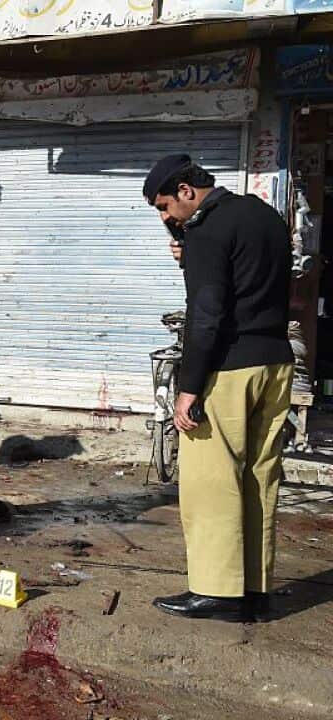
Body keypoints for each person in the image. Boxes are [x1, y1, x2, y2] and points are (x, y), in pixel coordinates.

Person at [143, 154, 294, 622]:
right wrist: (190, 251)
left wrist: (189, 388)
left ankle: (215, 591)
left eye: (166, 206)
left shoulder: (207, 232)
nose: (167, 218)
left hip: (229, 370)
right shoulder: (262, 216)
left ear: (187, 190)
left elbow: (206, 316)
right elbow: (247, 278)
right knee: (259, 478)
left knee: (211, 481)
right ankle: (253, 587)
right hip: (276, 362)